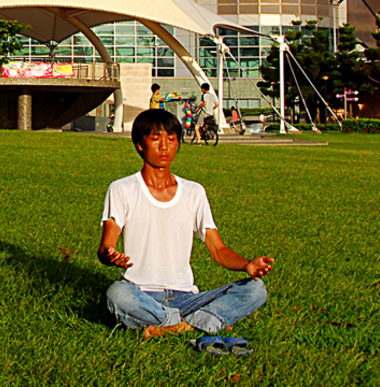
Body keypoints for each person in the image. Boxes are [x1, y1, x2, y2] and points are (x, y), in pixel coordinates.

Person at [98, 108, 273, 352]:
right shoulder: (122, 189)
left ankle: (177, 326)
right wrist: (109, 255)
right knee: (117, 293)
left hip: (187, 296)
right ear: (140, 144)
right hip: (142, 293)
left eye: (171, 139)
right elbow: (107, 244)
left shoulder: (194, 192)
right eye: (155, 139)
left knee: (255, 289)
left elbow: (218, 249)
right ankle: (205, 322)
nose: (164, 147)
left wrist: (247, 265)